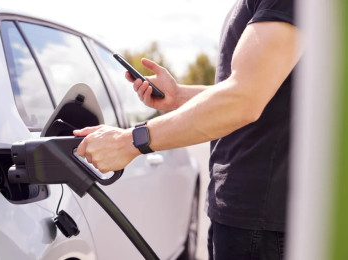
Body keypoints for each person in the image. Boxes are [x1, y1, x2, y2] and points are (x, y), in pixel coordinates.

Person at [73, 0, 302, 258]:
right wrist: (179, 96)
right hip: (240, 212)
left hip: (260, 219)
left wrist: (130, 141)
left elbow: (243, 99)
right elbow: (252, 90)